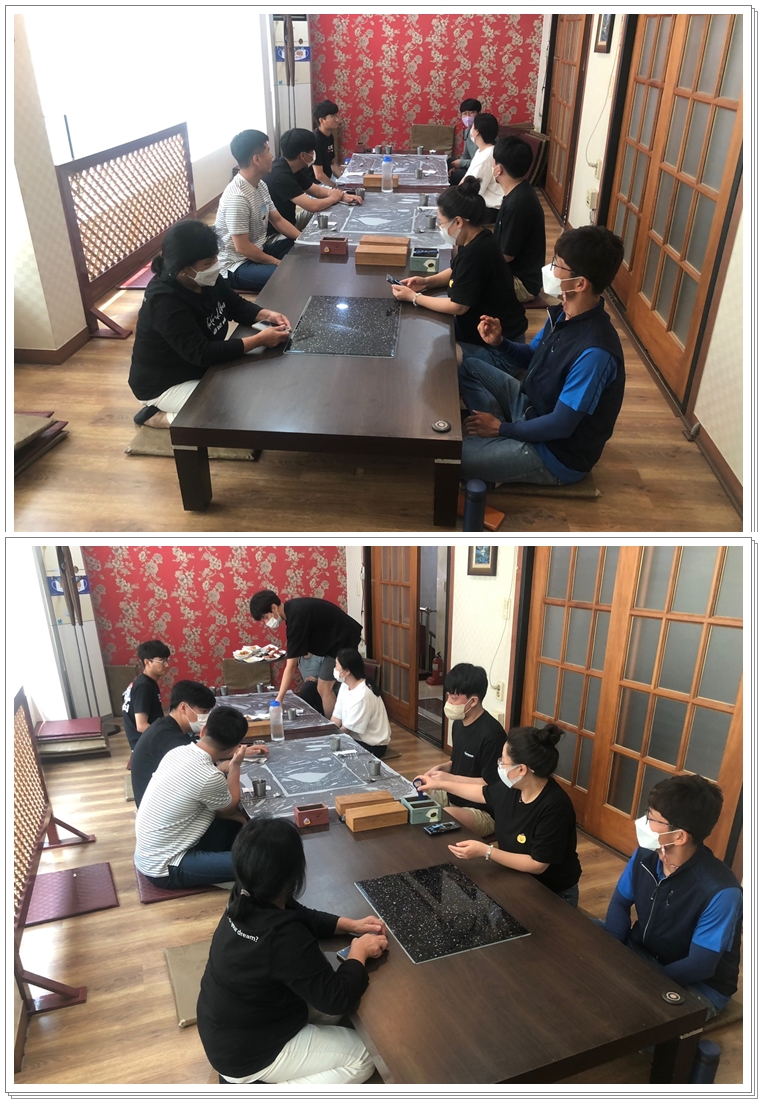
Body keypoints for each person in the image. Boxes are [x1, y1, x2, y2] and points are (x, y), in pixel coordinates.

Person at [196, 816, 388, 1083]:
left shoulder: (244, 895)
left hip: (233, 1024)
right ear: (293, 875)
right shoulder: (283, 936)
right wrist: (359, 952)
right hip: (247, 1053)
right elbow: (337, 998)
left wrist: (350, 925)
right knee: (366, 1057)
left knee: (339, 1012)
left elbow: (299, 914)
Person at [458, 225, 625, 485]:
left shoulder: (595, 352)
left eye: (558, 264)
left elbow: (561, 425)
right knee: (469, 366)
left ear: (580, 283)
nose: (550, 269)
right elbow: (531, 356)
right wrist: (500, 343)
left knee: (454, 456)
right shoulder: (562, 313)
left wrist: (500, 428)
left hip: (554, 452)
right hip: (530, 407)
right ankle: (498, 440)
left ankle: (498, 440)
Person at [128, 220, 291, 428]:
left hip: (198, 368)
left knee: (249, 391)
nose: (215, 265)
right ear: (183, 268)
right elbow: (202, 353)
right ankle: (157, 416)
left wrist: (266, 314)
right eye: (208, 263)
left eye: (215, 258)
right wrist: (259, 340)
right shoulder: (164, 302)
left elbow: (235, 305)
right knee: (229, 413)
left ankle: (186, 407)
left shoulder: (203, 278)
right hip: (164, 383)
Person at [603, 775, 742, 1019]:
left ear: (679, 836)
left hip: (697, 985)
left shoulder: (721, 891)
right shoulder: (646, 855)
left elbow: (699, 965)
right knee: (576, 943)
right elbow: (620, 904)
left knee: (624, 1014)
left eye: (651, 818)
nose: (643, 823)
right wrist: (610, 953)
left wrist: (638, 981)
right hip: (642, 952)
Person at [420, 723, 582, 906]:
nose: (499, 765)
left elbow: (537, 864)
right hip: (514, 876)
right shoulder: (514, 787)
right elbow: (482, 793)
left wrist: (486, 851)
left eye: (503, 761)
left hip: (551, 892)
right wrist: (438, 784)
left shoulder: (555, 806)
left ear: (521, 769)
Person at [390, 179, 526, 348]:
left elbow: (458, 306)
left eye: (442, 223)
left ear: (459, 222)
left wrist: (414, 297)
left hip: (499, 344)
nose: (440, 227)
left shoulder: (477, 252)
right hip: (480, 331)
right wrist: (427, 282)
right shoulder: (475, 238)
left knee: (432, 348)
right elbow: (456, 271)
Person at [134, 705, 249, 888]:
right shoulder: (210, 777)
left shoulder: (177, 752)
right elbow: (230, 807)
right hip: (165, 866)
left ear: (203, 731)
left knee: (234, 825)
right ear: (235, 748)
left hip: (148, 853)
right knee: (258, 863)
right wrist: (235, 766)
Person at [415, 663, 505, 835]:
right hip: (453, 796)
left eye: (454, 698)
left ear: (473, 701)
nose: (448, 702)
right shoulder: (458, 723)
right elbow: (458, 762)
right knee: (414, 793)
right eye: (448, 696)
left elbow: (489, 784)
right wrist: (441, 768)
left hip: (482, 810)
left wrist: (448, 780)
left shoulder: (492, 734)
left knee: (443, 817)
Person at [249, 591, 362, 718]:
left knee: (324, 687)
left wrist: (279, 699)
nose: (266, 622)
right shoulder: (293, 609)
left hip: (344, 639)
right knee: (323, 686)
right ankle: (333, 722)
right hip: (337, 639)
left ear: (274, 608)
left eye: (265, 617)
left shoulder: (296, 618)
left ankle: (332, 726)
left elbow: (291, 666)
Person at [215, 130, 301, 293]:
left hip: (258, 249)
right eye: (268, 151)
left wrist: (305, 241)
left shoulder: (260, 185)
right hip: (236, 264)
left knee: (301, 250)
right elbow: (243, 248)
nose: (271, 156)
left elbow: (278, 220)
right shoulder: (237, 198)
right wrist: (276, 262)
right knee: (286, 274)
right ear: (256, 159)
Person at [131, 680, 216, 806]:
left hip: (156, 799)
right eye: (204, 712)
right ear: (183, 708)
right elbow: (200, 775)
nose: (206, 717)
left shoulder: (165, 725)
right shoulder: (171, 739)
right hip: (159, 807)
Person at [264, 128, 361, 230]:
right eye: (312, 151)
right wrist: (334, 198)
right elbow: (312, 206)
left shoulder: (293, 166)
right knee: (328, 211)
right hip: (278, 231)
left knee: (334, 207)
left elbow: (316, 191)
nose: (314, 153)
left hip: (292, 220)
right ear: (303, 155)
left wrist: (342, 195)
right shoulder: (280, 176)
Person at [492, 135, 549, 303]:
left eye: (493, 163)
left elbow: (506, 256)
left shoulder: (518, 204)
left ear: (498, 169)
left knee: (468, 276)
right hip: (511, 272)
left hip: (521, 283)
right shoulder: (518, 191)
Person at [330, 648, 391, 758]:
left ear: (347, 672)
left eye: (336, 665)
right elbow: (336, 718)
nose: (335, 669)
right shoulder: (345, 685)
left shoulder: (363, 695)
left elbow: (347, 729)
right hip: (354, 738)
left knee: (333, 752)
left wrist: (331, 739)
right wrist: (327, 733)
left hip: (372, 745)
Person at [121, 640, 170, 750]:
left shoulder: (144, 681)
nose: (167, 665)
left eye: (167, 660)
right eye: (162, 661)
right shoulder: (143, 686)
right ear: (147, 662)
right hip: (145, 745)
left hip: (147, 739)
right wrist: (166, 736)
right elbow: (141, 725)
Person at [460, 112, 502, 221]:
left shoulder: (487, 156)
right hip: (481, 202)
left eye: (473, 127)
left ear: (476, 132)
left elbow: (474, 191)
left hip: (489, 209)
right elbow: (467, 177)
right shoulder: (482, 151)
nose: (470, 130)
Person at [448, 97, 482, 184]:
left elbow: (481, 161)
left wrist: (462, 163)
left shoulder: (483, 133)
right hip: (470, 165)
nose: (468, 117)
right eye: (464, 114)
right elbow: (466, 154)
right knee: (450, 161)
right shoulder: (467, 131)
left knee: (457, 174)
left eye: (471, 113)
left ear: (479, 113)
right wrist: (457, 166)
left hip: (479, 168)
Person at [312, 100, 343, 186]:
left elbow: (332, 163)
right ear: (322, 120)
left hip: (328, 179)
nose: (337, 119)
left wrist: (343, 181)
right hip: (317, 184)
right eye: (333, 117)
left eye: (336, 115)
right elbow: (319, 176)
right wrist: (335, 187)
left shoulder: (330, 136)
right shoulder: (315, 140)